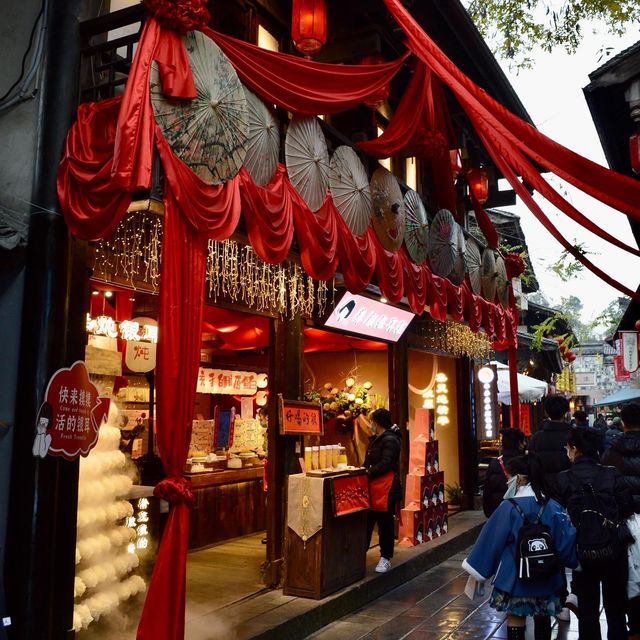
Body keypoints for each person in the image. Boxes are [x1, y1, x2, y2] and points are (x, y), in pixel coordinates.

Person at [463, 453, 577, 640]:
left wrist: (479, 571)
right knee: (543, 616)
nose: (507, 481)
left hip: (514, 576)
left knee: (515, 617)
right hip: (547, 574)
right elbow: (565, 541)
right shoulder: (552, 506)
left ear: (520, 478)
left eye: (509, 477)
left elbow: (490, 541)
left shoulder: (508, 507)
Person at [556, 427, 634, 640]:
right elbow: (626, 506)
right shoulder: (611, 473)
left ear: (574, 449)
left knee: (587, 611)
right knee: (615, 608)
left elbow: (560, 516)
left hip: (582, 550)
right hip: (613, 549)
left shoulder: (564, 479)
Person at [602, 402, 640, 639]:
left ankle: (622, 629)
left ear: (622, 423)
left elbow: (606, 492)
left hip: (622, 525)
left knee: (619, 581)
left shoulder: (611, 453)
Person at [363, 408, 402, 573]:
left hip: (387, 488)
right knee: (367, 523)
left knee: (385, 524)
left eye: (371, 421)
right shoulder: (376, 439)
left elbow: (387, 463)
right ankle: (359, 555)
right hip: (374, 488)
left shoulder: (390, 440)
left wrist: (368, 472)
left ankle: (385, 557)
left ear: (377, 422)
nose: (370, 424)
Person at [529, 395, 571, 499]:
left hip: (544, 491)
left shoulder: (536, 438)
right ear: (566, 413)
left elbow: (531, 466)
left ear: (546, 413)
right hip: (569, 488)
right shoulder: (574, 435)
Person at [483, 428, 526, 517]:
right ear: (519, 443)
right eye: (523, 441)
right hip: (522, 511)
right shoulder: (526, 462)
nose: (525, 444)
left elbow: (487, 491)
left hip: (498, 511)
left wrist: (489, 513)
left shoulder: (494, 463)